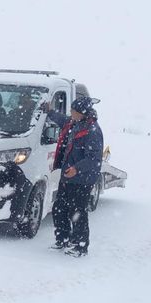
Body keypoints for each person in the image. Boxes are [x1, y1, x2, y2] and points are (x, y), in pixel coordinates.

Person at [42, 96, 103, 257]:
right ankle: (63, 239)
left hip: (82, 179)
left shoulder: (92, 131)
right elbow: (62, 119)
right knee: (59, 208)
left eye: (73, 111)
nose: (71, 113)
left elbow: (94, 159)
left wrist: (77, 169)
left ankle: (80, 246)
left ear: (82, 113)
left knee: (77, 212)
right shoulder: (73, 124)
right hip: (67, 177)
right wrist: (50, 112)